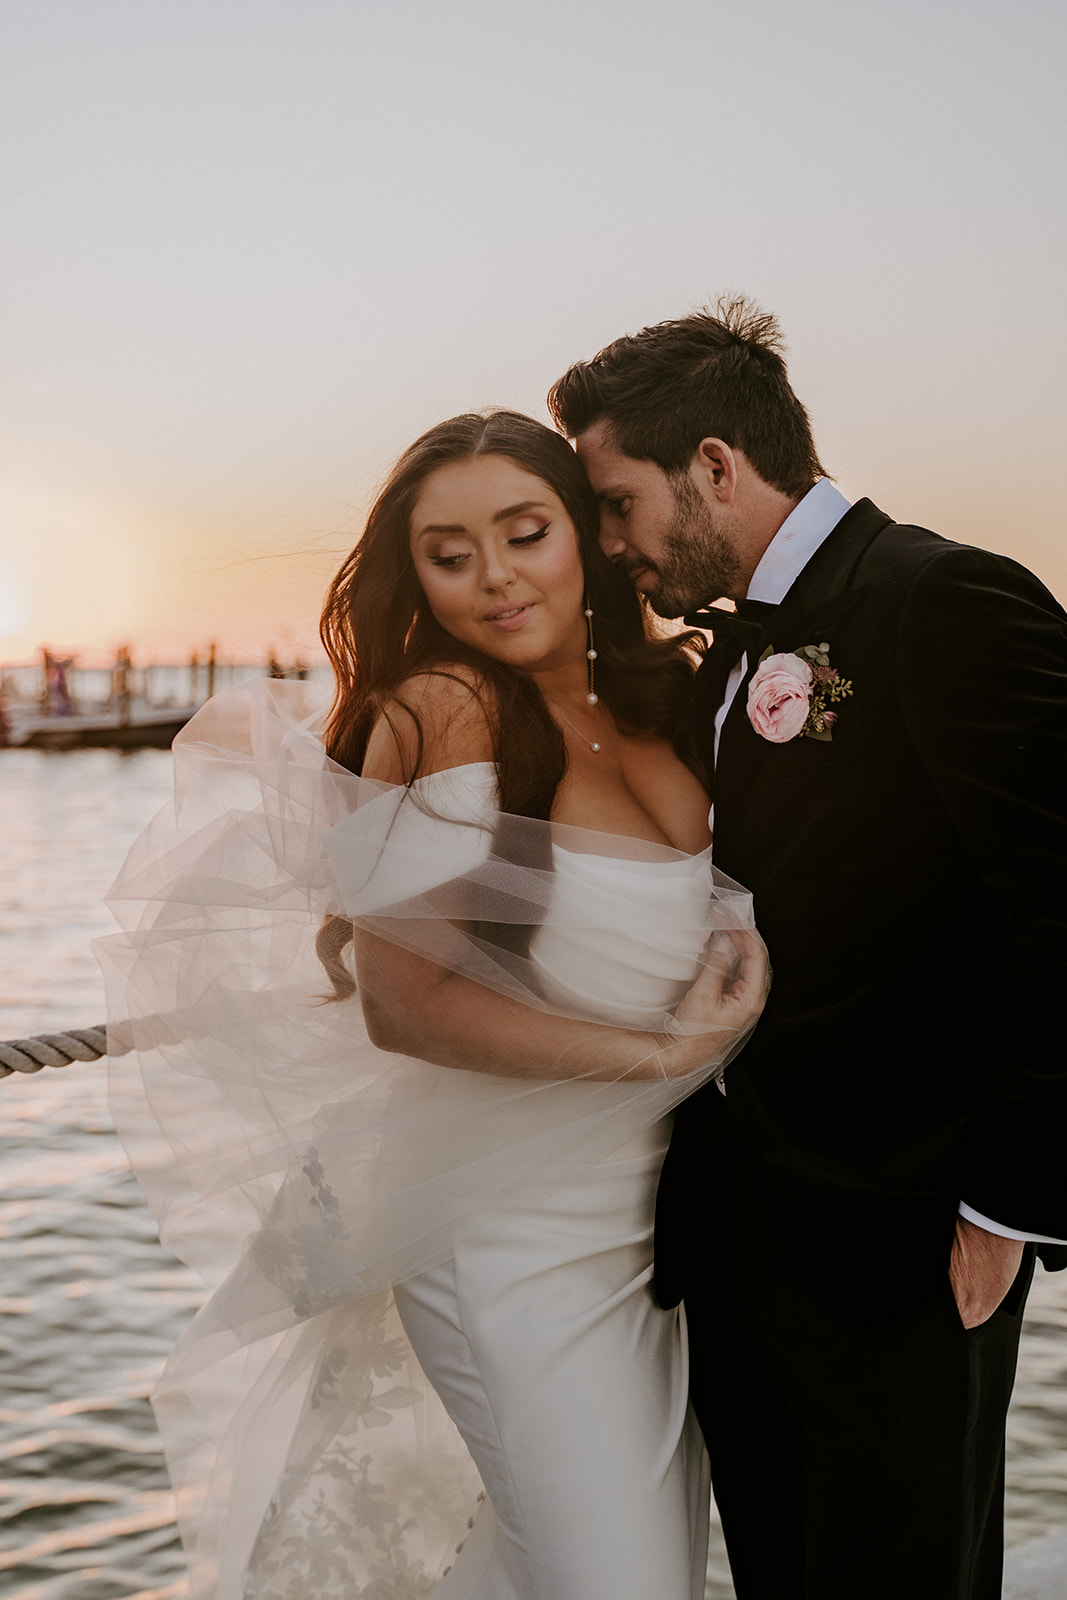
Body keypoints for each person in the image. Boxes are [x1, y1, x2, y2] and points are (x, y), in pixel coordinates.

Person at [100, 409, 767, 1600]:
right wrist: (669, 1047)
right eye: (449, 555)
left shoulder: (658, 703)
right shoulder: (443, 706)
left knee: (586, 1570)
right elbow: (405, 1008)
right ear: (413, 575)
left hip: (650, 1232)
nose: (495, 579)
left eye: (525, 533)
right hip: (510, 1236)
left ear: (584, 533)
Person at [548, 298, 1067, 1600]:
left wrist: (1001, 1212)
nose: (608, 544)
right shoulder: (717, 652)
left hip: (905, 1240)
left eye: (615, 503)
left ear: (713, 464)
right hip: (735, 1238)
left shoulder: (939, 600)